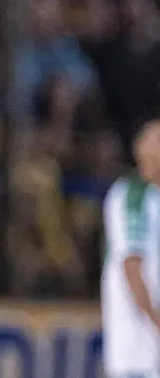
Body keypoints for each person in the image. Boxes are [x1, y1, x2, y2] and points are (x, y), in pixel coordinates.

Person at [102, 119, 160, 378]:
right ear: (140, 149)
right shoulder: (131, 195)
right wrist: (156, 321)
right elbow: (131, 266)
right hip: (138, 346)